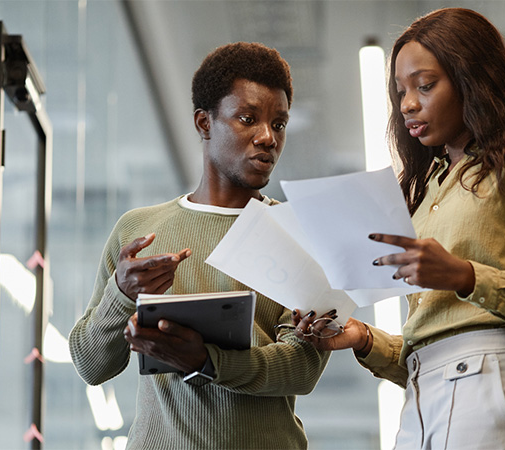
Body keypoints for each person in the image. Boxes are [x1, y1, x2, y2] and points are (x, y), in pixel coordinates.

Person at [292, 8, 505, 449]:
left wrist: (465, 276)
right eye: (400, 91)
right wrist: (363, 340)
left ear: (473, 78)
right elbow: (434, 342)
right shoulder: (427, 189)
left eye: (425, 85)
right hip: (420, 397)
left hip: (497, 388)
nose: (408, 104)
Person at [68, 42, 329, 449]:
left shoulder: (301, 232)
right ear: (204, 123)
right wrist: (122, 295)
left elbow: (302, 368)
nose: (267, 137)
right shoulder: (139, 230)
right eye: (248, 119)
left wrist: (206, 362)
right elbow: (92, 365)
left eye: (279, 124)